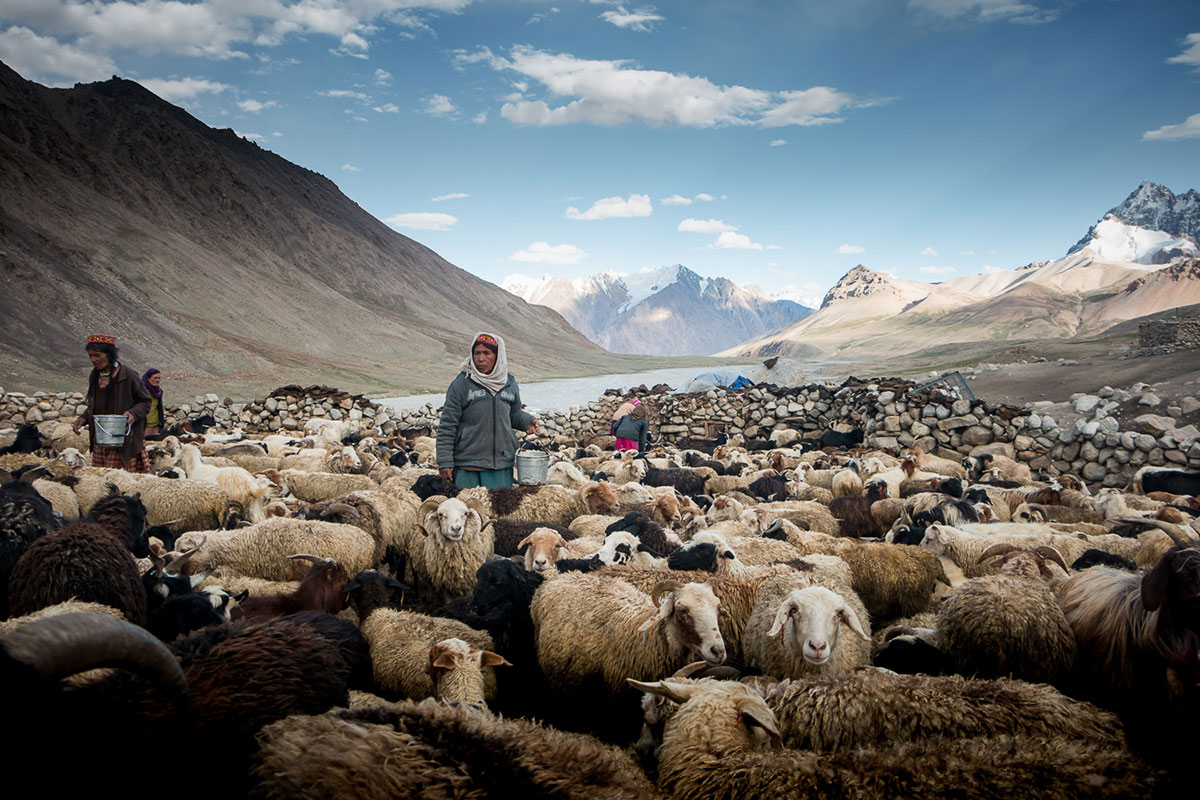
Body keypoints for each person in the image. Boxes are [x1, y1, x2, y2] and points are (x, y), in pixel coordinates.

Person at [437, 332, 541, 489]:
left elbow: (513, 413)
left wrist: (527, 421)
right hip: (468, 467)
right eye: (476, 353)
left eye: (487, 353)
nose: (480, 358)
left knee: (499, 513)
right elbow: (447, 425)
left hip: (501, 466)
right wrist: (444, 462)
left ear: (498, 356)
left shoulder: (509, 383)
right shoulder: (461, 384)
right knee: (469, 511)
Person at [71, 334, 152, 472]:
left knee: (120, 483)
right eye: (90, 356)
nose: (93, 360)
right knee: (101, 482)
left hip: (123, 440)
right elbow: (94, 404)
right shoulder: (95, 376)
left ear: (109, 354)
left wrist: (132, 413)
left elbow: (145, 402)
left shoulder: (129, 376)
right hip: (101, 439)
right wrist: (84, 417)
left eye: (97, 355)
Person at [142, 368, 165, 440]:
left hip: (155, 424)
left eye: (159, 378)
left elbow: (158, 407)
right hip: (145, 425)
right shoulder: (141, 391)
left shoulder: (158, 392)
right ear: (148, 378)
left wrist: (161, 421)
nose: (157, 380)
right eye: (155, 378)